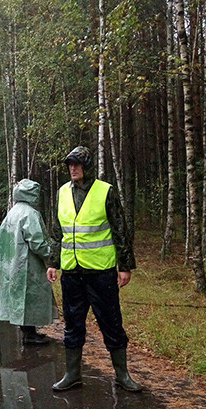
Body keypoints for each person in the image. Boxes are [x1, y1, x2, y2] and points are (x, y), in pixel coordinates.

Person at [47, 146, 140, 393]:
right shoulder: (62, 193)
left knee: (111, 322)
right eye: (70, 164)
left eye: (77, 164)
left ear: (88, 167)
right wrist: (53, 262)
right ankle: (72, 374)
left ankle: (122, 375)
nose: (73, 168)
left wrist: (125, 266)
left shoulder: (105, 191)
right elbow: (58, 230)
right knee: (73, 324)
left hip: (101, 272)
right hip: (72, 272)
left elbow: (120, 229)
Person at [0, 179, 54, 345]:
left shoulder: (12, 212)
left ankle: (29, 332)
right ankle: (29, 334)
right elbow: (37, 242)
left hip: (12, 263)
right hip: (27, 263)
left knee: (20, 298)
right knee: (29, 297)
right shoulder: (29, 213)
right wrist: (51, 255)